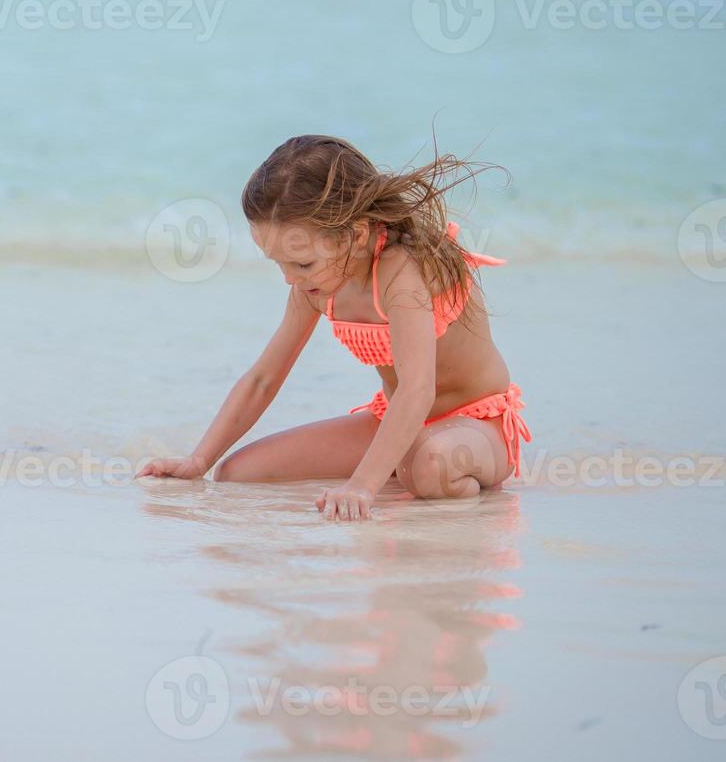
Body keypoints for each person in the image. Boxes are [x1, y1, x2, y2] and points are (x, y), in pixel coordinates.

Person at [137, 135, 532, 521]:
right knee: (237, 473)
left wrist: (362, 486)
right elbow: (263, 379)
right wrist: (198, 459)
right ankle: (399, 463)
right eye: (279, 263)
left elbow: (417, 388)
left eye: (302, 263)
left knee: (429, 465)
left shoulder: (403, 274)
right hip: (396, 423)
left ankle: (462, 488)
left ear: (356, 235)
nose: (290, 279)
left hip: (477, 425)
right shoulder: (315, 285)